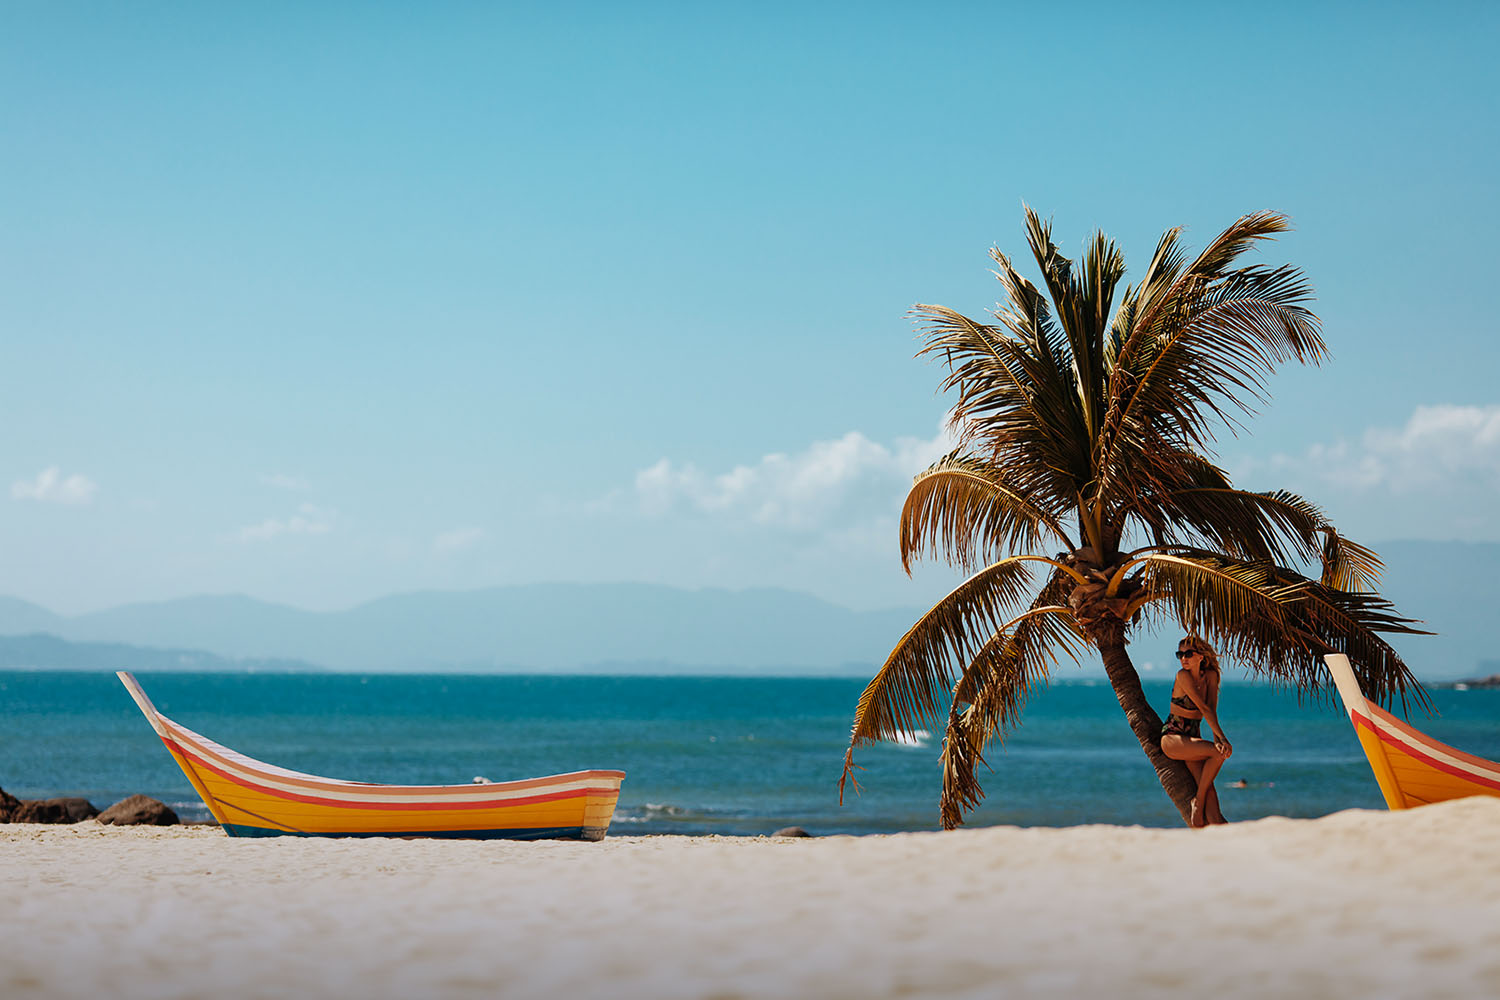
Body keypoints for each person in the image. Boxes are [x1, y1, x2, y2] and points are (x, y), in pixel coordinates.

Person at [1159, 635, 1232, 828]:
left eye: (1188, 654)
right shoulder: (1182, 676)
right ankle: (1197, 803)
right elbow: (1203, 708)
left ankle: (1221, 839)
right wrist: (1222, 740)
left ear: (1200, 656)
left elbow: (1212, 711)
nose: (1183, 658)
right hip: (1173, 739)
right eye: (1180, 654)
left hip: (1193, 740)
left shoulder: (1211, 676)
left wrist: (1218, 738)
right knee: (1218, 753)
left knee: (1213, 807)